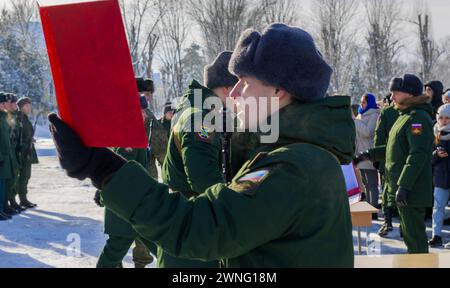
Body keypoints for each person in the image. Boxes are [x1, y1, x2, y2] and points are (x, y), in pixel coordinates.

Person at [48, 23, 355, 267]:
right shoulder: (297, 153)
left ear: (278, 91)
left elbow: (203, 228)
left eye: (245, 83)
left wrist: (102, 168)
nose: (233, 94)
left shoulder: (290, 167)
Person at [158, 51, 237, 268]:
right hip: (193, 227)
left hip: (182, 222)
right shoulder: (201, 117)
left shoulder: (193, 108)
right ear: (227, 89)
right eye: (239, 90)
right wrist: (232, 210)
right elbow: (202, 177)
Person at [357, 74, 433, 253]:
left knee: (415, 238)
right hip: (402, 187)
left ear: (410, 94)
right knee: (408, 236)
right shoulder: (404, 115)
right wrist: (367, 155)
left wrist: (404, 186)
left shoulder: (418, 118)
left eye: (395, 93)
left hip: (412, 190)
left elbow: (417, 154)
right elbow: (395, 148)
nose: (391, 97)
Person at [96, 96, 156, 268]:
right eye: (141, 111)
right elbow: (123, 171)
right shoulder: (129, 135)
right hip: (126, 205)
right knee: (116, 247)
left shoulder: (132, 132)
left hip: (133, 205)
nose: (145, 115)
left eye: (145, 111)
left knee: (151, 242)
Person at [373, 95, 400, 237]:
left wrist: (377, 158)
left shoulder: (387, 112)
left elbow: (379, 136)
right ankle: (403, 225)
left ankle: (387, 222)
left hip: (387, 159)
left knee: (387, 192)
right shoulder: (414, 113)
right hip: (405, 161)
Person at [135, 77, 168, 180]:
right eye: (147, 94)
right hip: (146, 174)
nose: (149, 98)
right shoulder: (146, 115)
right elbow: (160, 146)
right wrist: (168, 168)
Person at [354, 93, 380, 214]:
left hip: (369, 154)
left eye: (364, 102)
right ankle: (368, 208)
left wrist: (355, 121)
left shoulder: (374, 114)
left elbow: (368, 132)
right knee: (365, 184)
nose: (361, 104)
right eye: (361, 102)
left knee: (372, 184)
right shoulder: (360, 114)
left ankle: (373, 209)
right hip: (360, 154)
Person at [428, 104, 450, 247]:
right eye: (441, 117)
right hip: (441, 178)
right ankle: (436, 235)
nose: (444, 121)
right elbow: (427, 158)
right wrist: (436, 154)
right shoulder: (434, 133)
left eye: (448, 118)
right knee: (438, 208)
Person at [16, 97, 39, 208]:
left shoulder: (25, 118)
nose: (29, 108)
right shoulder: (19, 119)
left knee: (26, 175)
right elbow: (17, 137)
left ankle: (23, 199)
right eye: (26, 106)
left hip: (27, 151)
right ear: (20, 107)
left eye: (29, 105)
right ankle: (20, 199)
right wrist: (27, 141)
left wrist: (31, 139)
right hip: (22, 152)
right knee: (22, 176)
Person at [4, 93, 22, 215]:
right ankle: (6, 203)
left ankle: (11, 200)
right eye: (12, 102)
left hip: (13, 151)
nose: (14, 105)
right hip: (7, 152)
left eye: (14, 102)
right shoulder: (6, 116)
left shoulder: (15, 115)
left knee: (14, 177)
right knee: (7, 179)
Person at [0, 92, 13, 220]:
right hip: (1, 157)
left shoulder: (3, 117)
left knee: (3, 183)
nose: (5, 105)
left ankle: (2, 208)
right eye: (3, 103)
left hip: (5, 156)